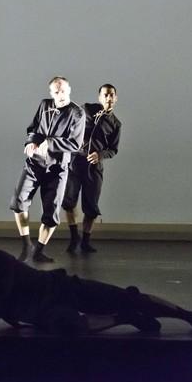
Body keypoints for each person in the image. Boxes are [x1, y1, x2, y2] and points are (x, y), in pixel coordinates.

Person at [0, 249, 192, 335]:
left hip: (60, 288)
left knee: (129, 297)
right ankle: (124, 317)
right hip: (42, 312)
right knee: (69, 325)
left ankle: (191, 317)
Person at [10, 76, 84, 263]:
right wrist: (31, 142)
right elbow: (33, 128)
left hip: (57, 168)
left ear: (69, 89)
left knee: (51, 214)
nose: (60, 95)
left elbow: (75, 144)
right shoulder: (44, 105)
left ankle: (39, 250)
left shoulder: (77, 113)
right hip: (34, 163)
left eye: (63, 91)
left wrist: (48, 143)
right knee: (18, 202)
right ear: (51, 93)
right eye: (56, 92)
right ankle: (27, 245)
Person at [62, 84, 122, 254]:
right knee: (69, 202)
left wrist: (100, 155)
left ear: (116, 98)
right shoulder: (87, 109)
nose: (108, 98)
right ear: (99, 97)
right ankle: (74, 237)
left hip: (94, 167)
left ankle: (85, 241)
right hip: (75, 162)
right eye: (105, 95)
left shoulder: (116, 124)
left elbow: (113, 150)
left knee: (91, 207)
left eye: (111, 95)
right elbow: (70, 121)